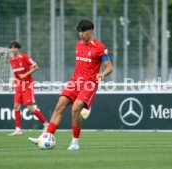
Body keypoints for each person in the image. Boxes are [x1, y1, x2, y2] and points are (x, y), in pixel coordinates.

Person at [29, 19, 113, 150]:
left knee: (75, 108)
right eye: (79, 31)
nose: (81, 34)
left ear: (90, 30)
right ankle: (46, 136)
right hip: (75, 82)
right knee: (59, 106)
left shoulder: (100, 48)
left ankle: (75, 142)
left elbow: (109, 67)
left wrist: (102, 74)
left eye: (83, 31)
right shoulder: (79, 44)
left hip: (89, 84)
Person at [8, 41, 48, 136]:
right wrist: (12, 84)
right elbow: (15, 74)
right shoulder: (11, 60)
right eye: (11, 48)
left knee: (30, 108)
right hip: (19, 86)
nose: (13, 49)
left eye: (14, 48)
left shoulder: (24, 57)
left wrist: (25, 74)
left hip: (27, 85)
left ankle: (46, 124)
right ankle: (18, 130)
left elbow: (36, 67)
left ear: (18, 49)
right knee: (16, 106)